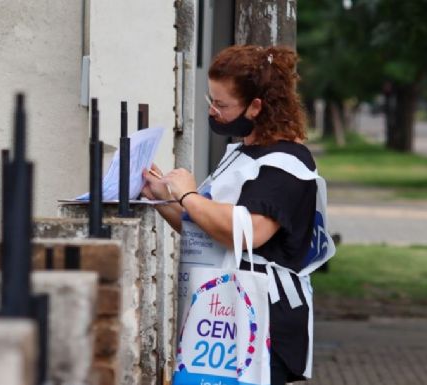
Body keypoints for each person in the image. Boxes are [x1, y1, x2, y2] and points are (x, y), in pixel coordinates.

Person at [142, 45, 334, 385]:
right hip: (224, 312)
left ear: (256, 106)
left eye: (222, 104)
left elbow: (249, 233)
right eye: (210, 101)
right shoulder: (242, 152)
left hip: (264, 318)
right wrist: (162, 199)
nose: (213, 111)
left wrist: (186, 194)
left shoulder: (287, 163)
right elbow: (208, 229)